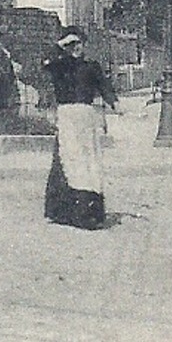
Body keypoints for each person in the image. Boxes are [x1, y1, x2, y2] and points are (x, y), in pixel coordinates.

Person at [41, 27, 118, 230]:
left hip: (86, 118)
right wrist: (59, 45)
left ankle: (89, 212)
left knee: (88, 160)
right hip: (67, 117)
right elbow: (42, 64)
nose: (77, 48)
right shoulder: (60, 66)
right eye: (72, 44)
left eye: (80, 43)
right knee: (68, 159)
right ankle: (64, 211)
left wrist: (114, 103)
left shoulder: (91, 66)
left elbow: (104, 86)